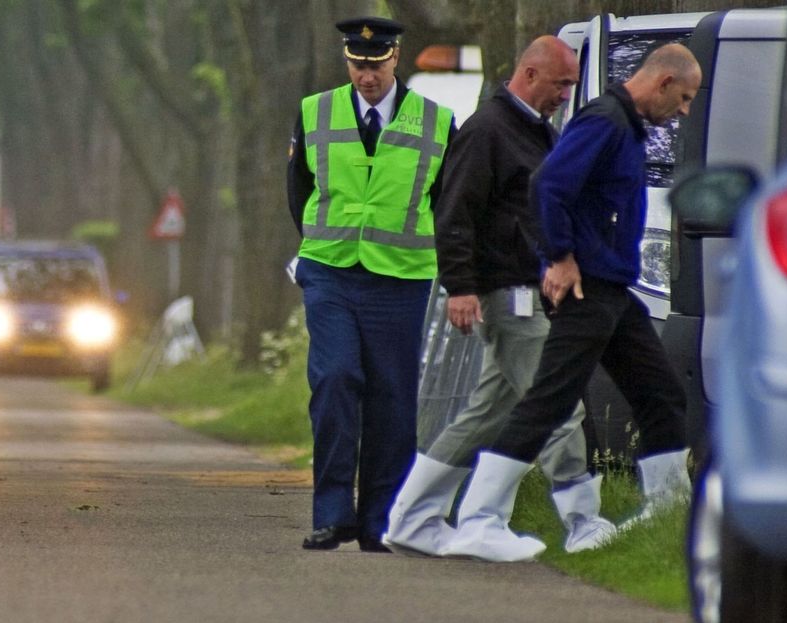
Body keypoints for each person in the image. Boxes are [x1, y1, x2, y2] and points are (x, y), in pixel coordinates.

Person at [442, 43, 702, 562]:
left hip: (613, 289)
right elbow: (549, 185)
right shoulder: (604, 121)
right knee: (549, 402)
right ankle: (479, 517)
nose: (686, 111)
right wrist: (558, 257)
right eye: (687, 97)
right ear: (663, 83)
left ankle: (669, 507)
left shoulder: (627, 127)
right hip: (587, 289)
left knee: (661, 392)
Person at [383, 36, 616, 559]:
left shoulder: (534, 131)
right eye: (562, 84)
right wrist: (460, 286)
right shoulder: (487, 130)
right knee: (557, 403)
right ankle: (584, 522)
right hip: (506, 294)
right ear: (530, 74)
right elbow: (453, 212)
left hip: (527, 292)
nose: (567, 93)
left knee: (488, 412)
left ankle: (415, 518)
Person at [287, 16, 456, 552]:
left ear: (395, 58)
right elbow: (299, 191)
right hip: (331, 270)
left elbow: (449, 202)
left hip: (401, 278)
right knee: (335, 379)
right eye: (357, 65)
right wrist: (318, 246)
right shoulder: (315, 111)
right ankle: (333, 513)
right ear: (347, 62)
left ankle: (380, 519)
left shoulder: (437, 121)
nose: (366, 76)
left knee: (392, 398)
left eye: (375, 64)